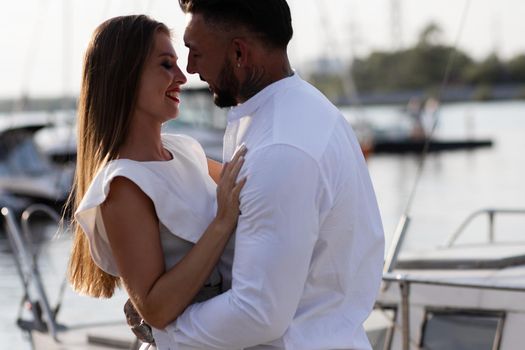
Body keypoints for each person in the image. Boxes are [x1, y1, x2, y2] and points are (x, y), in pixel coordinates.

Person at [140, 1, 385, 349]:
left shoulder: (280, 148)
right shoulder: (300, 111)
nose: (190, 68)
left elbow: (257, 313)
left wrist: (164, 329)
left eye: (195, 51)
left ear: (239, 53)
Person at [67, 14, 246, 348]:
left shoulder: (186, 150)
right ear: (125, 75)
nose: (182, 77)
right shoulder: (122, 184)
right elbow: (155, 309)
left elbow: (248, 187)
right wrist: (222, 223)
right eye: (166, 65)